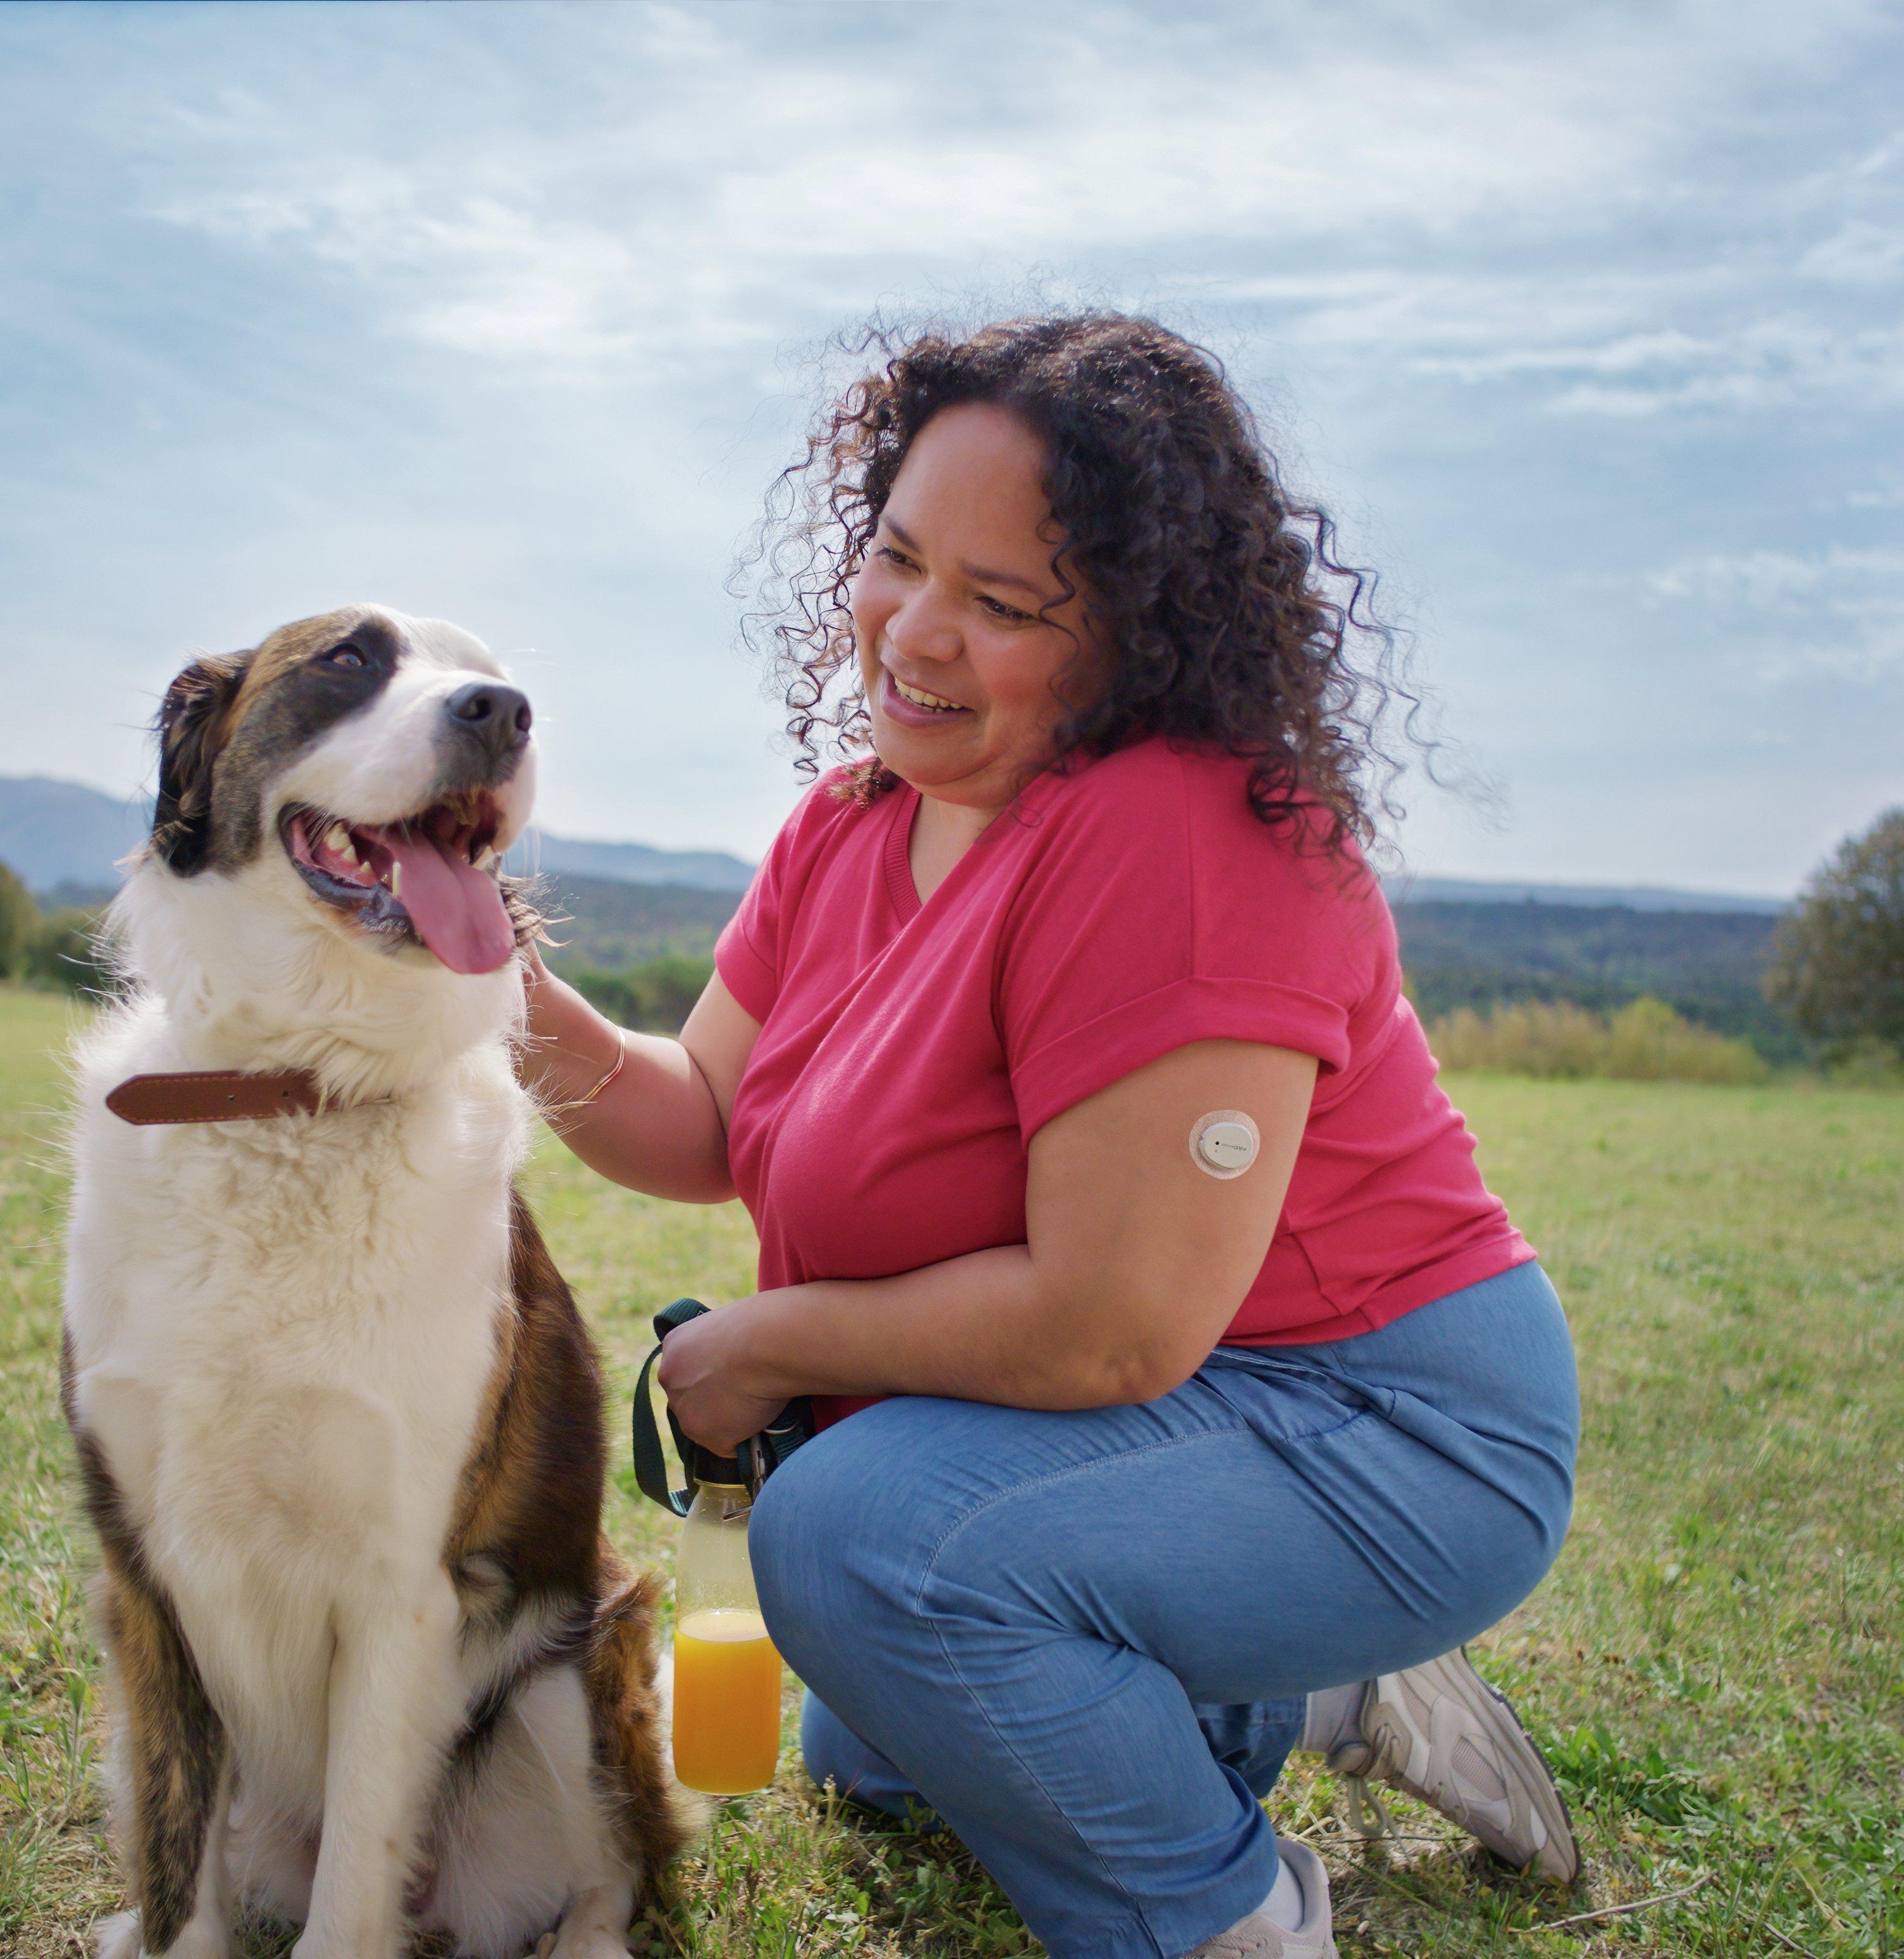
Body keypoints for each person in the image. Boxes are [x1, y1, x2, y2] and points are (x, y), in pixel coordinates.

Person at [520, 314, 1582, 1959]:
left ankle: (1228, 1922)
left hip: (1378, 1419)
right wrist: (490, 984)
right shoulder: (853, 824)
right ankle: (1321, 1692)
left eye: (1004, 604)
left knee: (862, 1549)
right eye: (897, 558)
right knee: (873, 1745)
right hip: (1173, 1416)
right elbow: (708, 1120)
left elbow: (1112, 1330)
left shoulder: (1182, 828)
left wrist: (767, 1343)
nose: (915, 631)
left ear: (1136, 634)